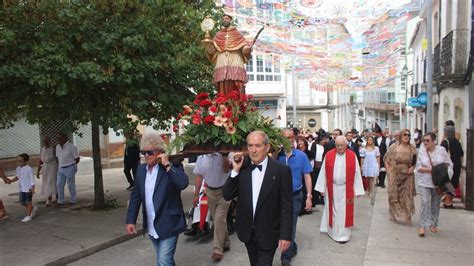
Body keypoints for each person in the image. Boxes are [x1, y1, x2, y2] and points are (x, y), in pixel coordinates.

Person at [223, 131, 293, 266]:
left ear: (267, 147)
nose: (253, 150)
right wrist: (235, 171)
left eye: (258, 146)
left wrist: (285, 235)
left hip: (269, 232)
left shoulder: (281, 170)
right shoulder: (243, 168)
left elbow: (287, 206)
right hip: (248, 232)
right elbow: (227, 195)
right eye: (250, 146)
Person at [125, 133, 189, 265]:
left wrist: (167, 165)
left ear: (160, 152)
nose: (146, 155)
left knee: (163, 261)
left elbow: (183, 184)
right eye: (144, 152)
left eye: (150, 152)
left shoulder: (172, 166)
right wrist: (130, 220)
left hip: (169, 224)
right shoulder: (141, 170)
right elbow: (136, 197)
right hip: (152, 225)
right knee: (166, 260)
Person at [315, 136, 365, 243]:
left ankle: (343, 236)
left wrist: (358, 189)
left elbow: (357, 173)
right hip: (331, 188)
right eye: (337, 145)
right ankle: (332, 232)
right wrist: (321, 187)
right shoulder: (329, 155)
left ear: (346, 145)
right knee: (332, 210)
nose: (339, 148)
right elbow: (323, 171)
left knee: (343, 213)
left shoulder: (352, 155)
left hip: (346, 189)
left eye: (341, 145)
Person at [277, 129, 313, 264]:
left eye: (291, 137)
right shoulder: (277, 156)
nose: (289, 139)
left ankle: (285, 258)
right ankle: (293, 246)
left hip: (295, 197)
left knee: (290, 226)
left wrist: (309, 196)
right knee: (280, 226)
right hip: (278, 198)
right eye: (285, 137)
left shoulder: (301, 156)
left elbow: (307, 176)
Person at [192, 153, 231, 262]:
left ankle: (217, 250)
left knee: (219, 219)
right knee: (218, 220)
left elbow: (226, 170)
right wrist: (196, 196)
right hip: (210, 192)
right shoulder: (201, 157)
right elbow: (199, 177)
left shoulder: (225, 153)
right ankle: (226, 242)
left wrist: (224, 156)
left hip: (225, 191)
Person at [202, 14, 252, 94]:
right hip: (222, 59)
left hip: (235, 59)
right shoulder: (218, 34)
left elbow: (243, 45)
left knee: (236, 80)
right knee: (222, 82)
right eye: (223, 18)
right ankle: (222, 102)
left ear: (230, 20)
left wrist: (246, 49)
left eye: (226, 18)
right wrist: (208, 46)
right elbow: (213, 50)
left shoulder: (236, 33)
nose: (224, 20)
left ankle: (237, 102)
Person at [415, 132, 453, 237]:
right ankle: (422, 225)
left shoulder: (441, 150)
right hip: (424, 182)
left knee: (435, 204)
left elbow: (449, 164)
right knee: (424, 202)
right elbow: (418, 167)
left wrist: (445, 174)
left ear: (433, 141)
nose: (425, 142)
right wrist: (432, 170)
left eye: (427, 140)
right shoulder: (422, 151)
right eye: (424, 140)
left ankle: (433, 223)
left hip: (438, 183)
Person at [384, 129, 417, 225]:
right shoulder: (394, 147)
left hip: (408, 174)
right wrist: (388, 171)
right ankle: (393, 213)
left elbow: (414, 161)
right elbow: (386, 159)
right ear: (401, 136)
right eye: (405, 135)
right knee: (394, 194)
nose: (407, 136)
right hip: (395, 174)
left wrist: (412, 167)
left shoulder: (412, 148)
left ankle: (408, 217)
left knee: (408, 196)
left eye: (408, 135)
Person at [5, 153, 38, 223]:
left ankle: (29, 216)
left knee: (28, 202)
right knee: (21, 202)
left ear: (26, 161)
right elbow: (17, 177)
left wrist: (33, 189)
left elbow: (32, 180)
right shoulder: (18, 168)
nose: (18, 162)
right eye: (17, 160)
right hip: (22, 188)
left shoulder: (29, 169)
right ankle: (32, 208)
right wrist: (11, 181)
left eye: (20, 161)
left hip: (28, 188)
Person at [440, 125, 464, 208]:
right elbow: (461, 153)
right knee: (452, 183)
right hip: (457, 165)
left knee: (447, 183)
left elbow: (441, 154)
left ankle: (448, 202)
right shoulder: (457, 142)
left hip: (448, 166)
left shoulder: (445, 142)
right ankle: (449, 201)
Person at [55, 133, 80, 207]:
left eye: (59, 138)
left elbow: (77, 158)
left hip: (70, 167)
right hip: (61, 168)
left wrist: (73, 166)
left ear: (65, 138)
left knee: (70, 184)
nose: (58, 140)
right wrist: (59, 165)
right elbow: (57, 157)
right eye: (58, 138)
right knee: (59, 184)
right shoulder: (57, 147)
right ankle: (60, 201)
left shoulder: (71, 147)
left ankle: (73, 200)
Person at [37, 136, 58, 207]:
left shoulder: (53, 149)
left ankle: (57, 198)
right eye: (44, 141)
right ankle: (49, 198)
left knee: (53, 181)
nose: (45, 142)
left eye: (47, 141)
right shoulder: (42, 149)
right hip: (45, 167)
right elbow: (40, 161)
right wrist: (38, 171)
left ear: (50, 141)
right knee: (46, 182)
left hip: (53, 166)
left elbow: (57, 158)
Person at [360, 136, 380, 205]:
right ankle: (368, 189)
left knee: (372, 178)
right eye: (369, 140)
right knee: (367, 178)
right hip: (366, 164)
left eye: (371, 140)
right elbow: (362, 158)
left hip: (373, 164)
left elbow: (378, 157)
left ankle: (371, 191)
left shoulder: (376, 149)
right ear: (367, 141)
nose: (370, 141)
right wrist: (361, 166)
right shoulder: (363, 149)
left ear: (373, 141)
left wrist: (378, 165)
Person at [373, 123, 389, 188]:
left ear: (379, 133)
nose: (375, 134)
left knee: (383, 169)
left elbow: (387, 148)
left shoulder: (385, 139)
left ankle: (382, 182)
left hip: (383, 156)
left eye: (376, 133)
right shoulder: (374, 139)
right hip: (376, 157)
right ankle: (379, 182)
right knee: (378, 169)